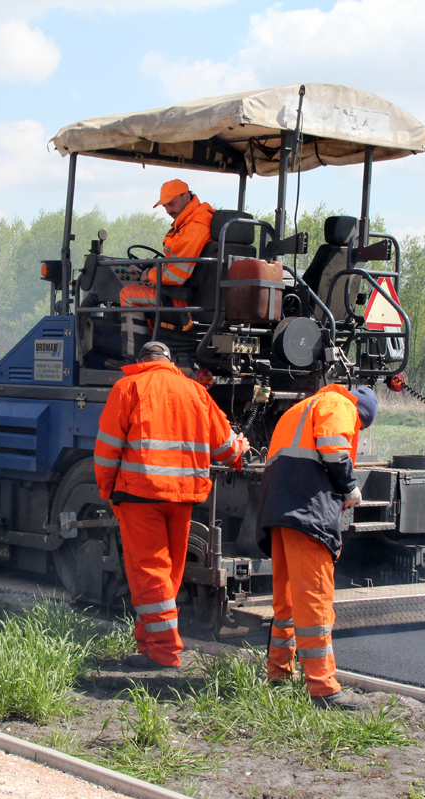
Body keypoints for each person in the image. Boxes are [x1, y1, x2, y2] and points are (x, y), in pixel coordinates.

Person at [93, 339, 248, 668]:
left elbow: (107, 447)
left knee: (150, 573)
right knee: (167, 577)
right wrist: (240, 450)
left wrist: (107, 491)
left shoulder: (128, 387)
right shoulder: (195, 392)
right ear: (170, 362)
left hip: (140, 496)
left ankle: (163, 652)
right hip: (182, 499)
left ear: (142, 361)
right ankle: (149, 643)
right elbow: (225, 446)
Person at [256, 382, 378, 710]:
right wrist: (350, 488)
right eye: (360, 426)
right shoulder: (341, 405)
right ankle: (323, 687)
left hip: (279, 510)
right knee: (316, 601)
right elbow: (333, 448)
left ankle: (279, 672)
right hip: (307, 511)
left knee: (287, 601)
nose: (356, 430)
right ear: (362, 413)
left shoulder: (300, 409)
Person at [118, 180, 215, 356]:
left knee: (128, 294)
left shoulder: (193, 227)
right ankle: (154, 345)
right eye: (165, 206)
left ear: (187, 196)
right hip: (195, 296)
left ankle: (134, 358)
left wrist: (149, 274)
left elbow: (176, 276)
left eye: (171, 203)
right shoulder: (199, 219)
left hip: (184, 301)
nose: (169, 210)